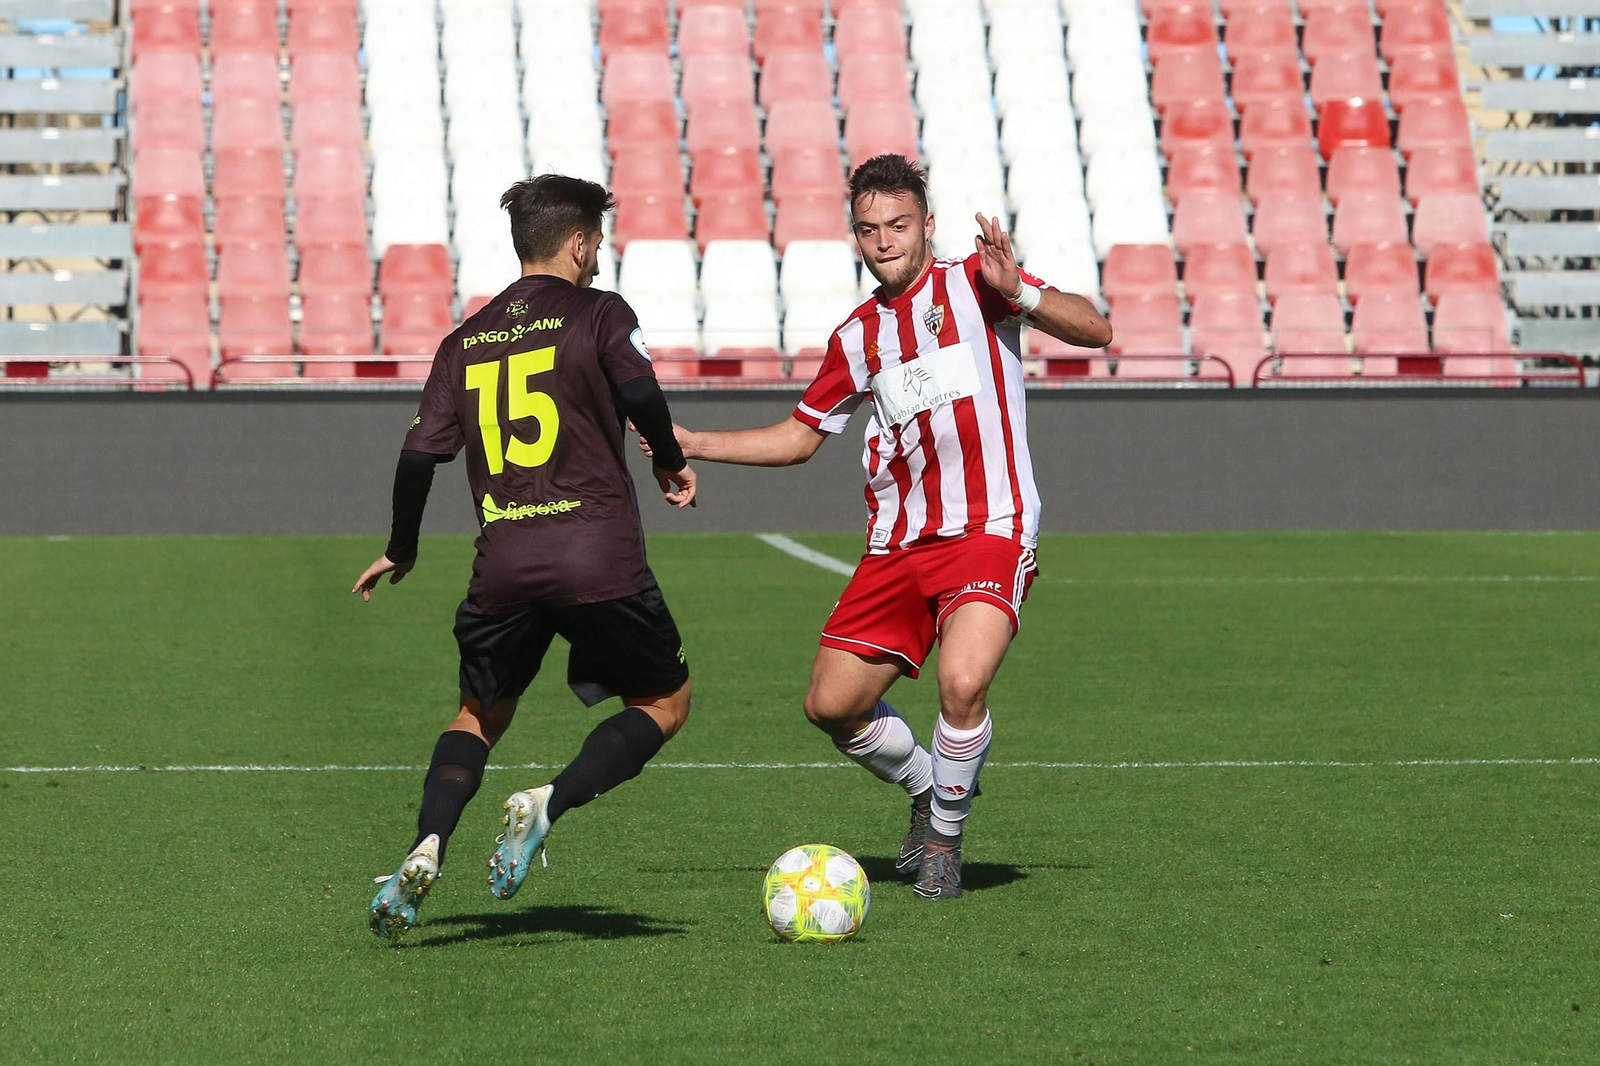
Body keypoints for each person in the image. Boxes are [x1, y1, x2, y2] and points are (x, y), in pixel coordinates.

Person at [641, 154, 1110, 899]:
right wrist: (695, 444)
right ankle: (933, 789)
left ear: (928, 225)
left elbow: (1096, 328)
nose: (886, 240)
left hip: (991, 525)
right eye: (870, 229)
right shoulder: (857, 336)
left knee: (963, 681)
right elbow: (799, 439)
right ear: (856, 237)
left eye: (899, 225)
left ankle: (945, 847)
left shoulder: (977, 288)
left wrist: (1019, 289)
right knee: (832, 705)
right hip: (898, 542)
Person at [354, 174, 700, 938]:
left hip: (505, 561)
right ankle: (551, 801)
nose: (599, 254)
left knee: (478, 715)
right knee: (664, 702)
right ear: (578, 243)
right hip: (597, 557)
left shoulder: (465, 339)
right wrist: (670, 460)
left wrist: (400, 548)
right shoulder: (600, 312)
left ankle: (428, 841)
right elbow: (641, 394)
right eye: (597, 242)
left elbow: (419, 458)